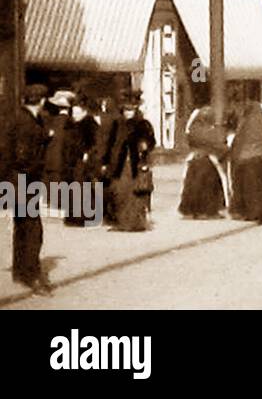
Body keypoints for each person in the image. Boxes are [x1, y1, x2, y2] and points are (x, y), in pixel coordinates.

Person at [9, 85, 53, 295]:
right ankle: (33, 276)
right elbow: (23, 156)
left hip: (15, 182)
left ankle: (19, 271)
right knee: (34, 231)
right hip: (25, 181)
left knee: (22, 227)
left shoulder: (21, 118)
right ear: (42, 101)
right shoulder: (27, 123)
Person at [102, 90, 157, 232]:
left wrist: (145, 146)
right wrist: (105, 161)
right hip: (118, 164)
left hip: (135, 164)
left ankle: (134, 223)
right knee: (119, 193)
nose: (128, 112)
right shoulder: (117, 124)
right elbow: (109, 143)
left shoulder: (143, 124)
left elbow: (151, 142)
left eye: (131, 110)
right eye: (126, 109)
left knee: (135, 194)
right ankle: (120, 222)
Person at [229, 98, 262, 224]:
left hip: (244, 159)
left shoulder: (245, 122)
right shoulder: (261, 121)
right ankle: (261, 212)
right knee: (260, 188)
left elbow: (238, 141)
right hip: (258, 158)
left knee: (246, 188)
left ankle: (245, 211)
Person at [179, 104, 229, 219]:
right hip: (208, 161)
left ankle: (190, 210)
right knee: (209, 187)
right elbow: (217, 145)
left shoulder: (193, 129)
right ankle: (207, 211)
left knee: (192, 186)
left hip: (194, 160)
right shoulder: (211, 131)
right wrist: (225, 150)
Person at [62, 96, 100, 227]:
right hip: (72, 162)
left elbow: (95, 144)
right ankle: (74, 216)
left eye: (77, 112)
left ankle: (85, 216)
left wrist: (87, 155)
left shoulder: (90, 125)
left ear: (84, 112)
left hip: (83, 162)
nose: (74, 115)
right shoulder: (71, 125)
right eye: (73, 112)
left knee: (83, 188)